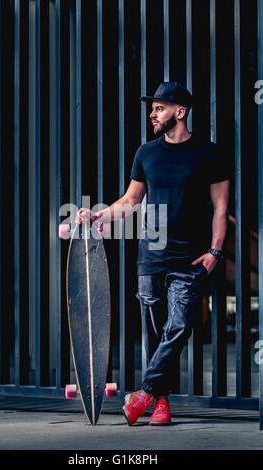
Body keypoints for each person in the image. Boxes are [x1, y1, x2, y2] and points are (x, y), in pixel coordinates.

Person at [76, 81, 230, 426]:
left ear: (180, 112)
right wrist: (100, 214)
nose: (152, 114)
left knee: (178, 327)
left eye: (159, 108)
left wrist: (214, 252)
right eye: (153, 108)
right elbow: (131, 201)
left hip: (191, 258)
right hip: (152, 255)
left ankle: (144, 392)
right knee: (155, 333)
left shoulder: (209, 153)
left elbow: (221, 207)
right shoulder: (146, 153)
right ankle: (160, 403)